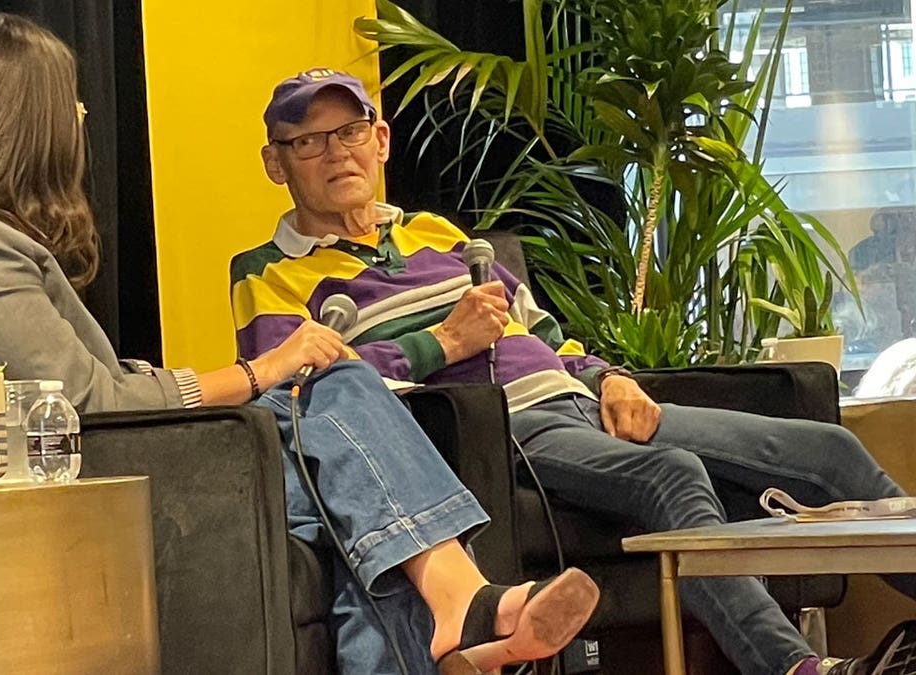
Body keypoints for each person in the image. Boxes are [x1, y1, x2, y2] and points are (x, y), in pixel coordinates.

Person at [0, 15, 598, 675]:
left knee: (356, 495)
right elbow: (90, 403)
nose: (80, 119)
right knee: (326, 398)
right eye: (70, 105)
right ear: (27, 123)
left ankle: (453, 610)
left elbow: (96, 381)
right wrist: (254, 372)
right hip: (73, 486)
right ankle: (462, 598)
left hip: (105, 461)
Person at [231, 67, 916, 675]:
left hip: (582, 402)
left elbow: (547, 333)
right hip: (501, 428)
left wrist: (611, 377)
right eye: (308, 141)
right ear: (275, 163)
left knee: (829, 447)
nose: (335, 153)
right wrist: (442, 340)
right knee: (674, 472)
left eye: (348, 132)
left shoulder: (441, 235)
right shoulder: (270, 272)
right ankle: (796, 666)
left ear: (379, 141)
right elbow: (305, 394)